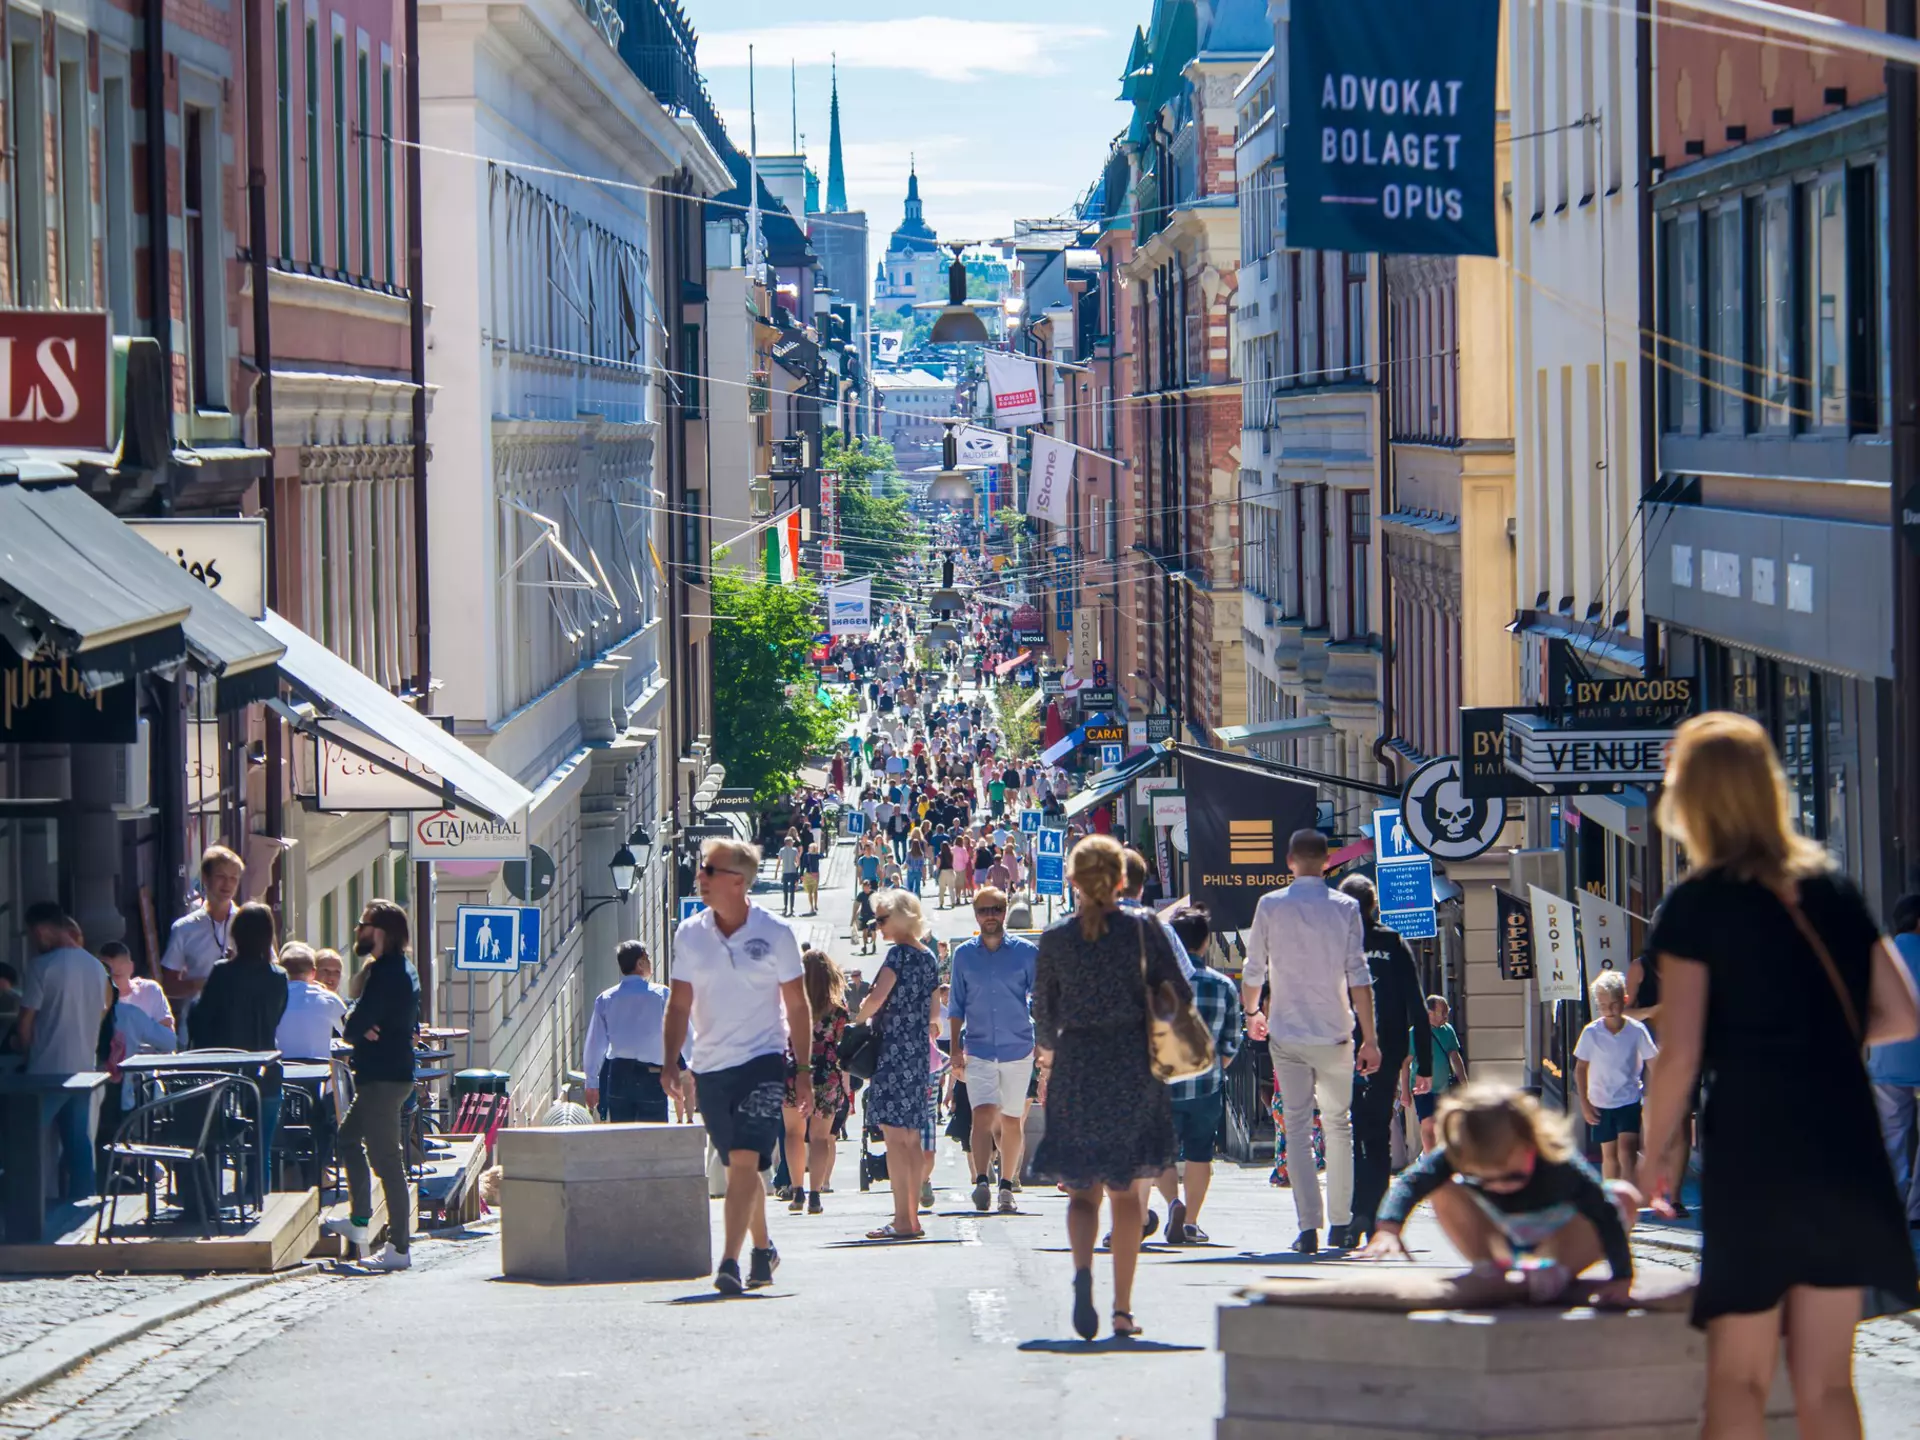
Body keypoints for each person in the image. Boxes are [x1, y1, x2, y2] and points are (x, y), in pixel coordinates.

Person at [1640, 712, 1920, 1438]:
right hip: (1843, 1136)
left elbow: (1680, 1050)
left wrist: (1654, 1154)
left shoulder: (1698, 905)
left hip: (1757, 1142)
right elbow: (1900, 1015)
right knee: (1829, 1381)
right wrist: (1814, 1036)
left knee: (1740, 1375)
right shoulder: (1831, 889)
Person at [1030, 835, 1192, 1341]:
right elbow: (1180, 992)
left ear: (1073, 881)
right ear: (1122, 880)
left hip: (1078, 1065)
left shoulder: (1056, 938)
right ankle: (1122, 1310)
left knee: (1082, 1194)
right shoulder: (1142, 929)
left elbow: (1043, 1013)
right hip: (1131, 1065)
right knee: (1126, 1197)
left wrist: (1055, 1049)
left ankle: (1082, 1276)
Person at [663, 839, 811, 1295]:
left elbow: (798, 1005)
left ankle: (728, 1261)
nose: (700, 877)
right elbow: (679, 1003)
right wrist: (670, 1062)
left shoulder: (777, 933)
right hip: (711, 1067)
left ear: (737, 881)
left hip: (764, 1061)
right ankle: (763, 1248)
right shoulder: (689, 934)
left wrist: (802, 1070)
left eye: (709, 869)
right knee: (738, 1169)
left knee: (745, 1161)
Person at [1361, 1083, 1636, 1307]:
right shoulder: (1462, 1149)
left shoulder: (1560, 1163)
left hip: (1558, 1235)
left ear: (1531, 1143)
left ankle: (1555, 1274)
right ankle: (1490, 1268)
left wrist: (1622, 1276)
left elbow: (1606, 1214)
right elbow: (1411, 1182)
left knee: (1622, 1196)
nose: (1500, 1187)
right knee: (1440, 1187)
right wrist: (1388, 1227)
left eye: (1512, 1176)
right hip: (1497, 1233)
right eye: (1483, 1179)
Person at [1241, 828, 1382, 1254]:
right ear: (1327, 862)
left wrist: (1252, 1014)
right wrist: (1370, 1038)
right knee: (1339, 1124)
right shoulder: (1345, 909)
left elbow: (1253, 971)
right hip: (1336, 1031)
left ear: (1289, 861)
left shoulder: (1270, 905)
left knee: (1298, 1128)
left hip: (1287, 1030)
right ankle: (1341, 1223)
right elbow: (1359, 978)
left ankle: (1308, 1227)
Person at [321, 901, 420, 1272]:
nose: (358, 930)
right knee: (348, 1138)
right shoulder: (403, 969)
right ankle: (360, 1222)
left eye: (363, 924)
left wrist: (360, 1023)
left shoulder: (386, 973)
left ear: (381, 932)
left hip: (383, 1078)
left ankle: (398, 1247)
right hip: (385, 1075)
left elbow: (350, 1025)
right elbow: (362, 1020)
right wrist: (362, 1022)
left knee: (387, 1161)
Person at [1338, 875, 1433, 1244]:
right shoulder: (1393, 942)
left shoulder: (1336, 944)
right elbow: (1417, 1007)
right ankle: (1370, 1213)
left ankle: (1347, 1216)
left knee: (1346, 1131)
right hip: (1387, 1052)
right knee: (1376, 1133)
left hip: (1341, 1046)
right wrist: (1423, 1065)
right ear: (1374, 904)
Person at [852, 889, 940, 1239]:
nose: (878, 925)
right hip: (917, 1055)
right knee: (912, 1139)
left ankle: (902, 1219)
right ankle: (912, 1218)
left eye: (883, 919)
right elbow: (934, 1012)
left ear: (903, 917)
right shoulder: (928, 957)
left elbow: (875, 999)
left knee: (893, 1139)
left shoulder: (897, 957)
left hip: (892, 1054)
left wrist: (856, 1024)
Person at [948, 885, 1039, 1215]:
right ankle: (983, 1181)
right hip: (980, 1046)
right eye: (984, 910)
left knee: (1012, 1120)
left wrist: (1043, 1044)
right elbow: (955, 1004)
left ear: (1005, 912)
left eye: (996, 909)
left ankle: (1006, 1187)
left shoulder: (1026, 953)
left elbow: (1041, 997)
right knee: (982, 1114)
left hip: (1018, 1046)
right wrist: (956, 1050)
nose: (990, 916)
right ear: (975, 914)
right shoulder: (964, 956)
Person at [1161, 905, 1243, 1245]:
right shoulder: (1222, 985)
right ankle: (1191, 1222)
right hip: (1206, 1085)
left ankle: (1172, 1205)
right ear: (1205, 942)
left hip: (1162, 1084)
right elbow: (1232, 1040)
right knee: (1200, 1154)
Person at [17, 905, 110, 1200]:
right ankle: (82, 1207)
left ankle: (25, 1208)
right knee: (78, 1145)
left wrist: (23, 1053)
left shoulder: (41, 967)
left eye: (33, 934)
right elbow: (101, 1012)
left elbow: (25, 1024)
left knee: (25, 1142)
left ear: (42, 930)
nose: (34, 941)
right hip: (83, 1070)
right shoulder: (97, 968)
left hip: (45, 1072)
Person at [1574, 969, 1658, 1183]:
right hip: (1600, 1102)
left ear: (1625, 1000)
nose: (1609, 1011)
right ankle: (1612, 1200)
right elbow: (1580, 1068)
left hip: (1629, 1098)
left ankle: (1630, 1199)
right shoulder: (1591, 1033)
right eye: (1602, 1006)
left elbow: (1653, 1062)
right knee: (1609, 1155)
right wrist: (1584, 1102)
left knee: (1628, 1151)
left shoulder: (1636, 1030)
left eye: (1613, 1004)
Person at [785, 948, 850, 1215]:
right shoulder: (838, 1012)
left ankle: (797, 1190)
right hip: (827, 1075)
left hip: (794, 1073)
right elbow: (843, 1047)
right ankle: (815, 1194)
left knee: (793, 1134)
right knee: (821, 1137)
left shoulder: (791, 1007)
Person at [159, 844, 245, 1043]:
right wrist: (201, 984)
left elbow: (271, 969)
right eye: (221, 876)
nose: (228, 884)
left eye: (234, 878)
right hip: (198, 1027)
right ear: (205, 879)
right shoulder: (185, 928)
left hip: (241, 1025)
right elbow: (169, 985)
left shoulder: (248, 922)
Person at [1869, 892, 1920, 1227]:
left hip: (1886, 1061)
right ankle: (1917, 1211)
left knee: (1892, 1138)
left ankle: (1890, 1207)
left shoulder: (1881, 955)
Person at [582, 942, 671, 1122]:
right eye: (647, 958)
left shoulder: (606, 998)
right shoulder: (661, 995)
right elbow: (682, 1032)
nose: (650, 962)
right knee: (654, 1139)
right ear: (640, 963)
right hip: (652, 1076)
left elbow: (595, 1043)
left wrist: (591, 1082)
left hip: (619, 1075)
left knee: (622, 1139)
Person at [274, 943, 348, 1060]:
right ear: (314, 972)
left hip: (283, 1070)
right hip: (320, 1072)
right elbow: (347, 1033)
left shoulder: (272, 999)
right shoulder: (329, 998)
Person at [1413, 996, 1467, 1152]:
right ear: (1429, 1013)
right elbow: (1406, 1062)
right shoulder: (1416, 1032)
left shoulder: (1448, 1030)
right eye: (1442, 1012)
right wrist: (1404, 1091)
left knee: (1444, 1125)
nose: (1446, 1016)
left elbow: (1455, 1058)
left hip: (1444, 1088)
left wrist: (1464, 1083)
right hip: (1422, 1088)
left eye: (1447, 1012)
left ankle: (1440, 1157)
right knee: (1428, 1124)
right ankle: (1430, 1159)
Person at [101, 942, 174, 1034]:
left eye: (118, 975)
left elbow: (167, 1030)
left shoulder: (150, 990)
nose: (113, 981)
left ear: (131, 968)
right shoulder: (94, 999)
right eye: (108, 976)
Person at [778, 835, 802, 918]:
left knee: (785, 891)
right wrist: (796, 866)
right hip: (792, 871)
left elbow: (779, 860)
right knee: (792, 891)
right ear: (790, 843)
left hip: (785, 872)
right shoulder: (794, 850)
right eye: (792, 842)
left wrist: (777, 871)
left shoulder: (782, 850)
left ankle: (785, 907)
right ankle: (791, 909)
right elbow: (798, 861)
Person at [801, 840, 822, 916]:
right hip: (815, 874)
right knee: (815, 891)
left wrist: (801, 874)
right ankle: (814, 905)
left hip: (809, 874)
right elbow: (822, 856)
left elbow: (803, 865)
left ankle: (812, 906)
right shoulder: (816, 855)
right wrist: (817, 851)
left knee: (810, 892)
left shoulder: (807, 855)